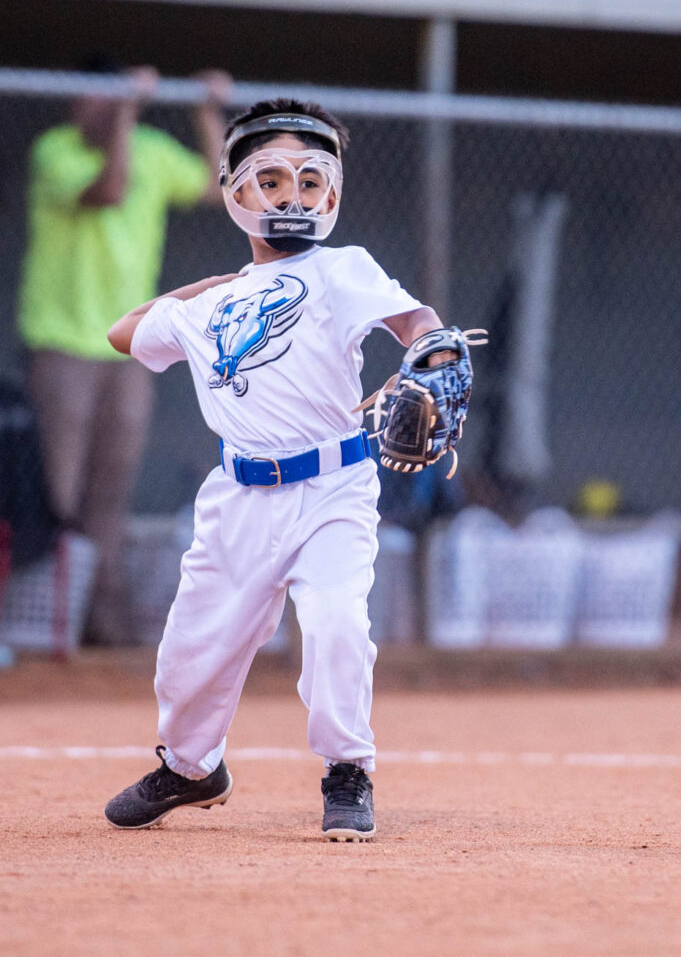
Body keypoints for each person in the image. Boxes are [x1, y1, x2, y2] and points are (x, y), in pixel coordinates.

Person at [103, 97, 458, 841]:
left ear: (330, 195)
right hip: (236, 498)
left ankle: (347, 770)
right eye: (269, 181)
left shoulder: (339, 268)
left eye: (309, 181)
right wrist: (209, 286)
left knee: (335, 623)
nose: (291, 197)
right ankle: (191, 768)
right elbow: (122, 332)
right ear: (233, 189)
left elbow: (414, 322)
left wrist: (434, 352)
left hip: (333, 486)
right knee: (191, 652)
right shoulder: (210, 306)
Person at [17, 56, 232, 643]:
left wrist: (205, 112)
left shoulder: (151, 151)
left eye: (109, 98)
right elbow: (109, 192)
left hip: (129, 347)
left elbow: (221, 187)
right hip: (62, 343)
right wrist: (127, 110)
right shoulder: (56, 152)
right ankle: (46, 625)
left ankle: (101, 627)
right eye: (93, 98)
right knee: (57, 490)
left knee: (110, 492)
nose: (101, 109)